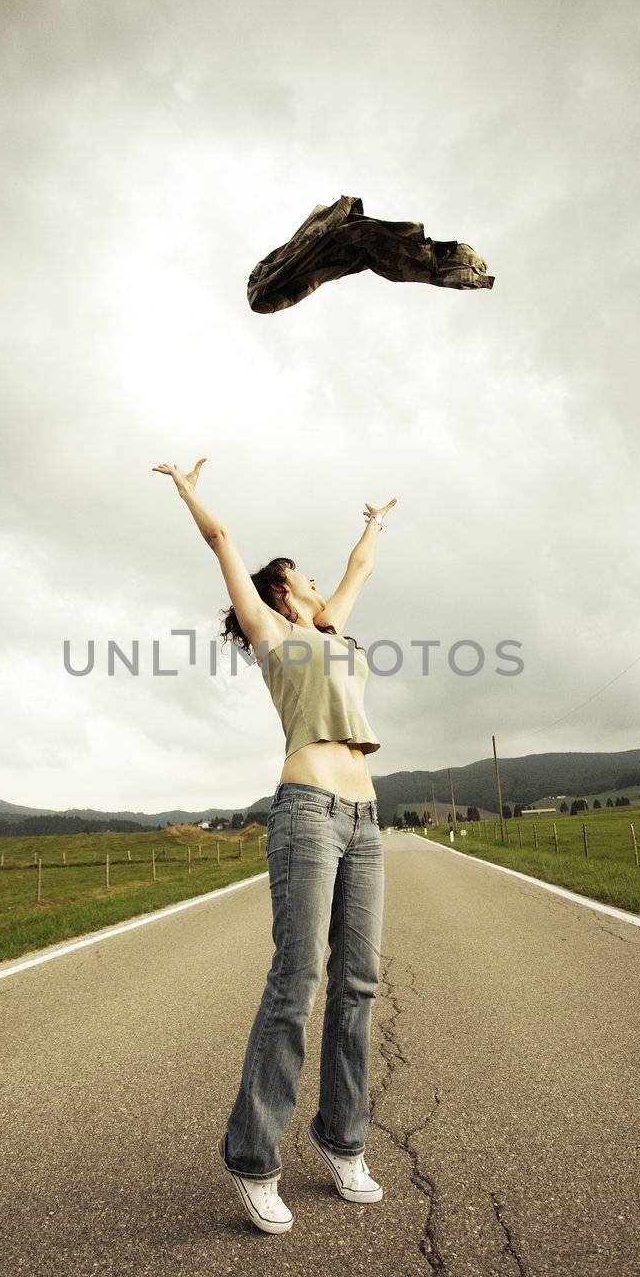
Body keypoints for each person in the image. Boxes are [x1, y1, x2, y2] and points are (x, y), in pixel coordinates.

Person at [152, 455, 395, 1235]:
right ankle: (254, 1159)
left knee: (357, 984)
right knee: (297, 984)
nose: (324, 584)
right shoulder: (272, 634)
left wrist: (374, 524)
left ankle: (341, 1139)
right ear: (283, 591)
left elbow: (358, 568)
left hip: (364, 819)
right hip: (307, 813)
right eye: (307, 577)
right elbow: (222, 539)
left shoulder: (335, 631)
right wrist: (191, 495)